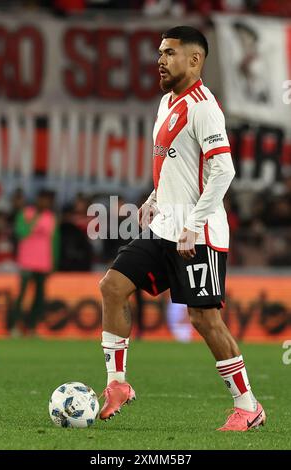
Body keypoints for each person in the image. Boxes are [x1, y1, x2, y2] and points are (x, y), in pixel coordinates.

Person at [99, 26, 266, 431]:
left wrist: (193, 224)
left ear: (195, 60)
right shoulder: (166, 102)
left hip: (200, 233)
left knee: (205, 320)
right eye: (160, 51)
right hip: (164, 225)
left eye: (170, 52)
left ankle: (248, 406)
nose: (160, 59)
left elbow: (223, 170)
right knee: (112, 286)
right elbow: (174, 164)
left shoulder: (204, 107)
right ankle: (117, 385)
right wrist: (155, 199)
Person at [8, 190, 60, 335]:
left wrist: (54, 263)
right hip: (26, 262)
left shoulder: (51, 217)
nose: (46, 203)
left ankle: (31, 327)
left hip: (43, 264)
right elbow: (21, 232)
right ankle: (14, 326)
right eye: (43, 200)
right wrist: (35, 219)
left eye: (49, 201)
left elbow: (54, 242)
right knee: (22, 296)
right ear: (37, 200)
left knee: (39, 298)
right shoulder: (25, 214)